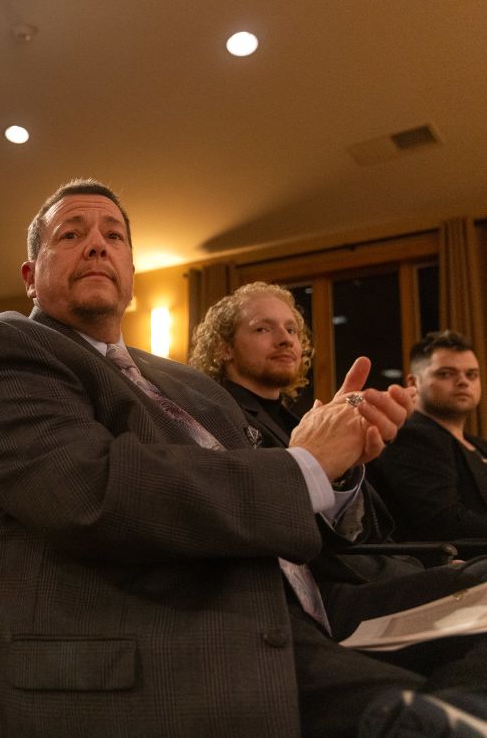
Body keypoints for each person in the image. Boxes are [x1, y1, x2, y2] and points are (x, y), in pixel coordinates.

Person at [0, 178, 481, 737]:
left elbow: (265, 494)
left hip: (314, 599)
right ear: (31, 276)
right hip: (178, 634)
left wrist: (338, 465)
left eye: (114, 235)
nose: (98, 245)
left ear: (130, 270)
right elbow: (95, 491)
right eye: (71, 234)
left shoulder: (182, 381)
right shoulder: (8, 348)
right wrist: (305, 467)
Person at [190, 282, 487, 670]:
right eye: (263, 329)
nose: (284, 339)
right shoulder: (211, 416)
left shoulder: (303, 419)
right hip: (315, 600)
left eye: (292, 330)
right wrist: (312, 463)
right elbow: (256, 515)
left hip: (377, 573)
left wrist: (344, 473)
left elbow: (368, 532)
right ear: (223, 347)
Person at [369, 330, 487, 540]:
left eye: (471, 375)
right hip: (449, 565)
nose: (463, 382)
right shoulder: (411, 436)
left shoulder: (479, 445)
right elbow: (443, 521)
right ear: (414, 382)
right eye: (446, 374)